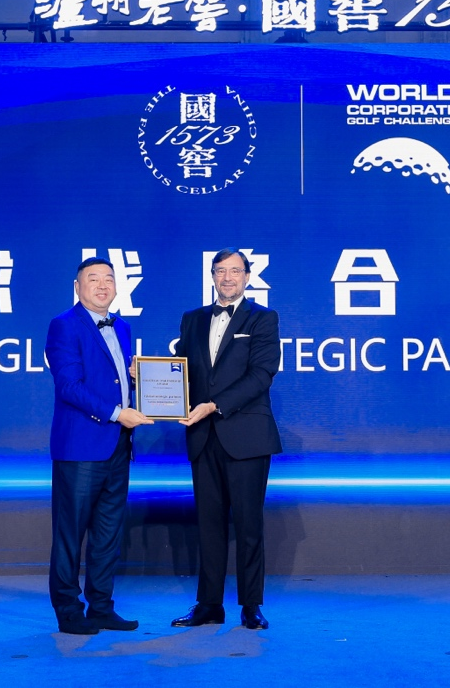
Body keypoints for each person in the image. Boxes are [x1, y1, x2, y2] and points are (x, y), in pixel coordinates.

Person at [171, 248, 282, 630]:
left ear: (248, 277)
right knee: (208, 525)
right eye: (221, 271)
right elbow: (180, 370)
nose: (228, 277)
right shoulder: (193, 319)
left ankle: (251, 605)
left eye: (235, 271)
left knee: (249, 525)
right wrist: (148, 378)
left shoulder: (263, 318)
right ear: (212, 276)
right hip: (203, 437)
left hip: (246, 436)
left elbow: (261, 375)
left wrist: (214, 405)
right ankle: (209, 605)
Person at [45, 257, 153, 635]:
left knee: (108, 534)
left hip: (118, 445)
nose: (103, 285)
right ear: (78, 287)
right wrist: (117, 413)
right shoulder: (64, 325)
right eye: (93, 279)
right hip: (80, 447)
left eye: (109, 278)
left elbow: (113, 380)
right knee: (70, 534)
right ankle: (68, 610)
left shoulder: (122, 326)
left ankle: (101, 607)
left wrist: (137, 378)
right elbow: (69, 387)